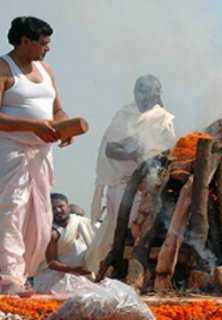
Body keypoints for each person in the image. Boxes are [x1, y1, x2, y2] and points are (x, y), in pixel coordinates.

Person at [0, 16, 73, 294]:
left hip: (42, 154)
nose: (47, 48)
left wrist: (65, 128)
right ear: (24, 41)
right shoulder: (4, 69)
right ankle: (8, 279)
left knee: (40, 220)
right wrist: (31, 126)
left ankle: (23, 275)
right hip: (11, 151)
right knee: (11, 212)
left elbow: (57, 111)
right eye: (43, 43)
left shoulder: (46, 71)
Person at [87, 74, 176, 274]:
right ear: (136, 92)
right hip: (123, 185)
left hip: (152, 187)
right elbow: (111, 149)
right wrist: (132, 154)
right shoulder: (124, 115)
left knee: (146, 233)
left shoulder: (163, 118)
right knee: (121, 235)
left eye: (154, 93)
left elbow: (168, 152)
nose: (149, 97)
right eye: (144, 92)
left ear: (158, 94)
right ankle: (115, 273)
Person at [33, 193, 96, 293]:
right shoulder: (52, 233)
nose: (57, 211)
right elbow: (52, 263)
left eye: (60, 206)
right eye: (53, 208)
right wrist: (73, 269)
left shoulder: (83, 225)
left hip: (77, 281)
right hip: (53, 282)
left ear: (68, 207)